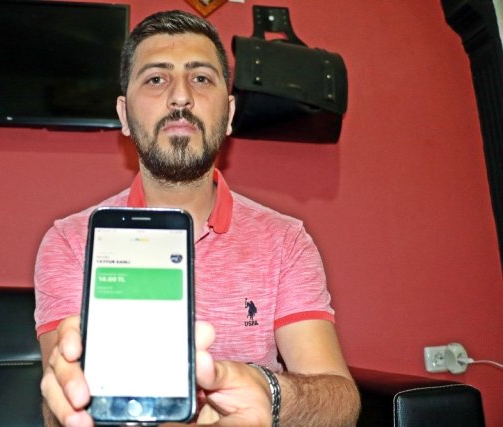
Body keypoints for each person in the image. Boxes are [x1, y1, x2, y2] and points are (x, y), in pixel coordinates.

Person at [35, 9, 360, 427]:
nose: (180, 97)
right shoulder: (70, 242)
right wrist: (68, 401)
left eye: (201, 78)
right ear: (124, 116)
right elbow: (60, 403)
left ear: (229, 114)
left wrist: (269, 391)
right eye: (156, 78)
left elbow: (339, 402)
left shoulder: (286, 242)